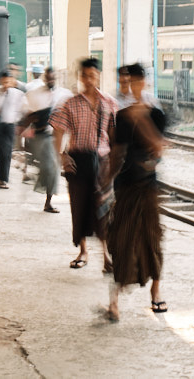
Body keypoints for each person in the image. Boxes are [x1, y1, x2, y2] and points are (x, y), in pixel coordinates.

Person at [105, 63, 167, 321]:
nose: (133, 86)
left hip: (148, 185)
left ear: (145, 83)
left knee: (151, 238)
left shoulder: (156, 115)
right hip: (126, 185)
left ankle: (155, 292)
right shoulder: (121, 116)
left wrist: (141, 119)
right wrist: (106, 182)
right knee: (121, 241)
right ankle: (114, 302)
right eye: (129, 82)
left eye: (137, 81)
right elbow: (116, 153)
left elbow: (159, 149)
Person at [50, 57, 118, 272]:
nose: (88, 80)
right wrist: (62, 156)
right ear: (80, 77)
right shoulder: (70, 104)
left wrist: (116, 164)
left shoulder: (109, 103)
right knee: (79, 207)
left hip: (102, 161)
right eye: (85, 76)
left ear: (98, 76)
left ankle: (107, 255)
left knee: (103, 209)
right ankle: (83, 251)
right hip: (78, 160)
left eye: (92, 75)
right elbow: (57, 132)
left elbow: (114, 136)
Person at [19, 66, 72, 212]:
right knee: (50, 166)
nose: (51, 80)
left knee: (53, 168)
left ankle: (48, 199)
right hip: (40, 135)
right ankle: (46, 197)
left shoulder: (65, 95)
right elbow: (25, 115)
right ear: (44, 78)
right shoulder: (33, 94)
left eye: (53, 78)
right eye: (48, 78)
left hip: (58, 136)